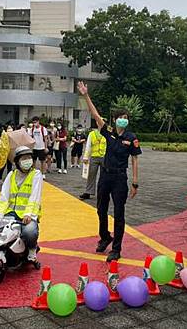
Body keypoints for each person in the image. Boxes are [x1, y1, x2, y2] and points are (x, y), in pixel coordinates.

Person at [78, 81, 142, 262]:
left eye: (126, 117)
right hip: (105, 176)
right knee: (101, 209)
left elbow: (135, 159)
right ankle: (105, 236)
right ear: (115, 119)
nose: (124, 119)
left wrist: (135, 183)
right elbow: (95, 114)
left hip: (120, 178)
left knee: (119, 213)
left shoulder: (131, 138)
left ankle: (116, 249)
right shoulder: (109, 132)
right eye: (120, 116)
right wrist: (85, 95)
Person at [0, 146, 42, 262]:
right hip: (9, 214)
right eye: (24, 158)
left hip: (27, 215)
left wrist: (29, 214)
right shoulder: (11, 175)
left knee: (29, 232)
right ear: (17, 161)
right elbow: (4, 197)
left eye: (29, 158)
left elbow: (34, 197)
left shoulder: (36, 174)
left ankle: (32, 249)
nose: (27, 161)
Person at [79, 126, 107, 200]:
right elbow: (88, 146)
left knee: (104, 176)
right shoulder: (92, 134)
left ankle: (103, 192)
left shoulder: (107, 133)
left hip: (105, 157)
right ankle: (88, 192)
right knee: (91, 175)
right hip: (94, 156)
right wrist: (85, 157)